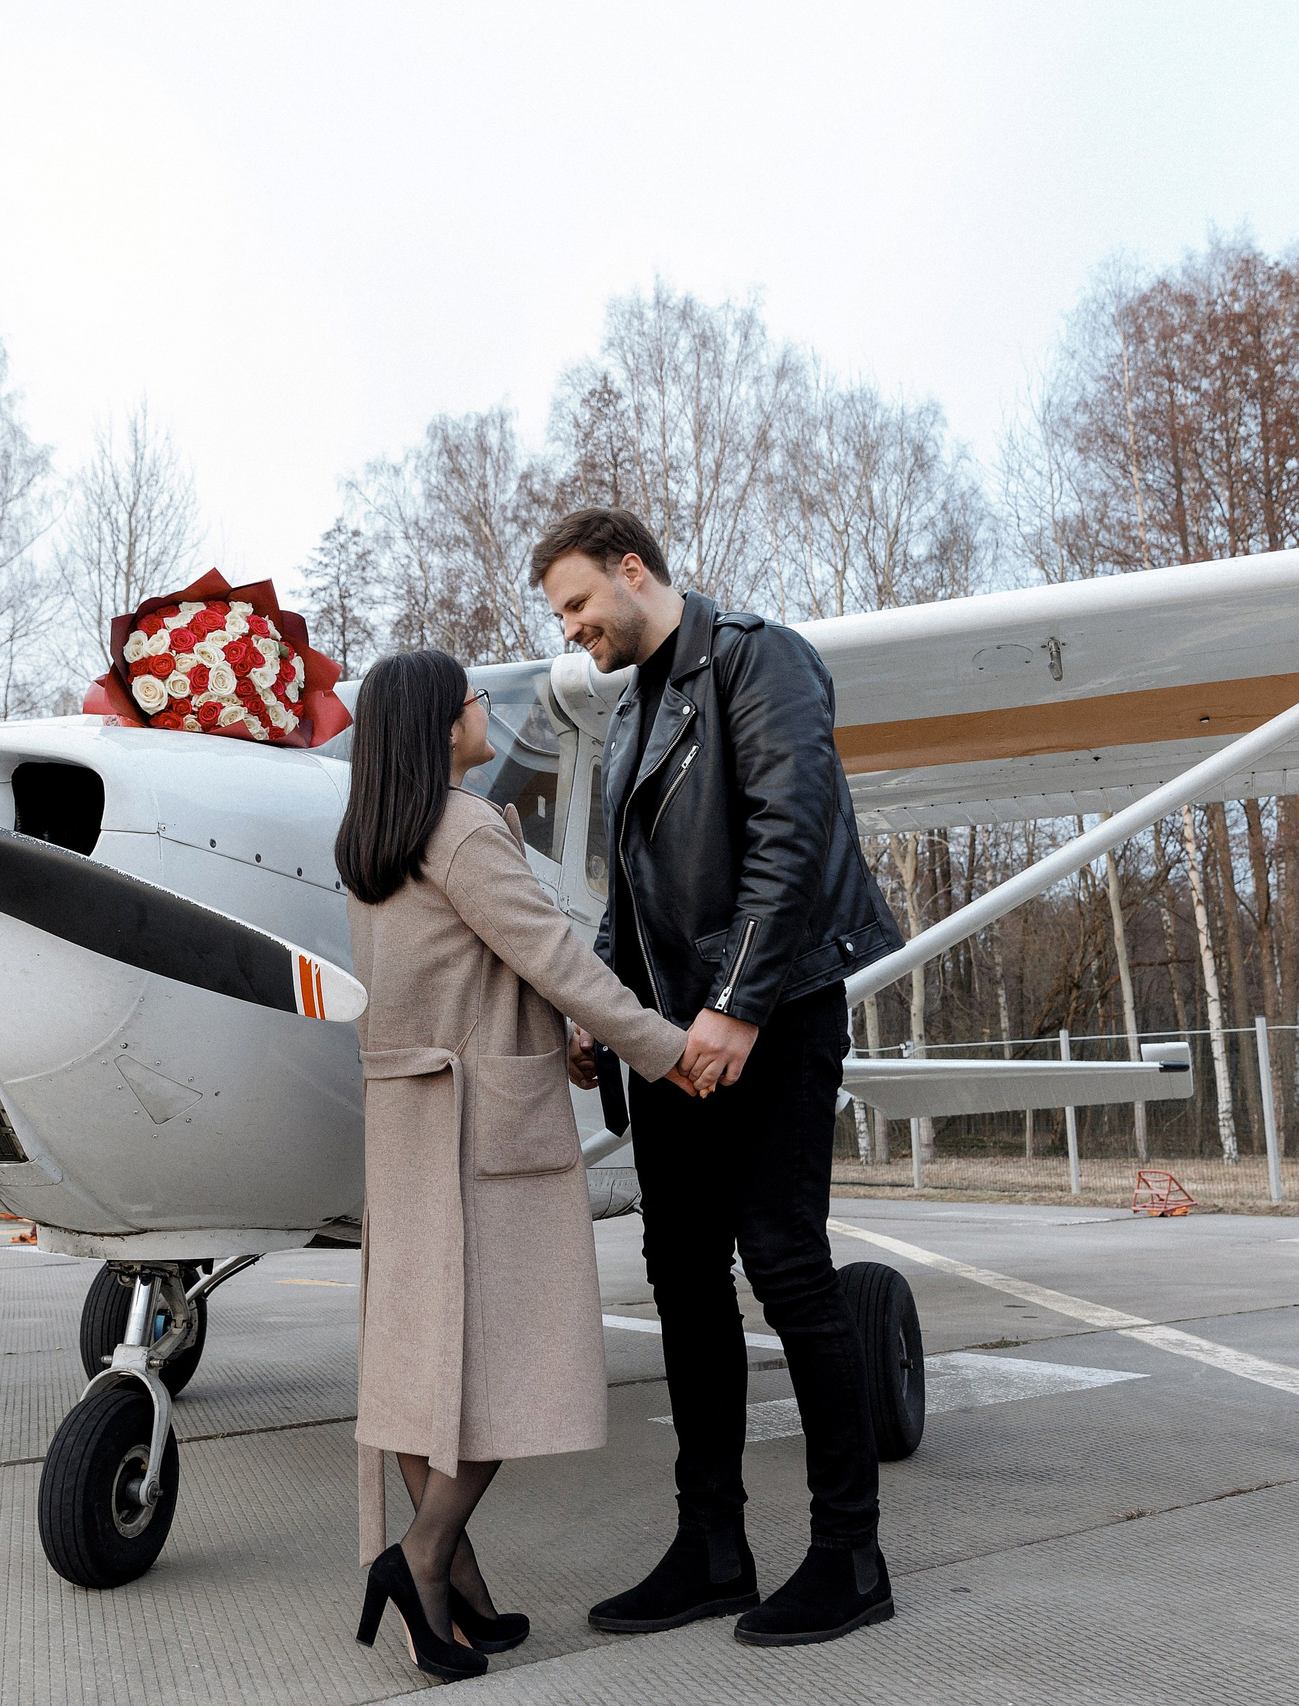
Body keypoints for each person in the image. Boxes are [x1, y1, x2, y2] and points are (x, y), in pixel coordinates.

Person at [537, 506, 907, 1647]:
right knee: (681, 1276)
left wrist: (736, 1004)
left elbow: (792, 839)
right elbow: (632, 894)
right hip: (670, 1040)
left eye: (576, 603)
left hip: (774, 1012)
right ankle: (711, 1546)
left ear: (632, 569)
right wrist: (603, 1009)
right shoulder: (636, 705)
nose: (571, 629)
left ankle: (849, 1554)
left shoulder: (759, 657)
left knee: (787, 1268)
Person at [337, 649, 695, 1685]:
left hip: (405, 1121)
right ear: (437, 726)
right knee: (501, 1365)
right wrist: (659, 1049)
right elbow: (551, 953)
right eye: (470, 700)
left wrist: (558, 1035)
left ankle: (456, 1593)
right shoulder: (463, 827)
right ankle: (417, 1563)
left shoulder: (372, 841)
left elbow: (469, 971)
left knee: (417, 1365)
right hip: (480, 1133)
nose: (485, 710)